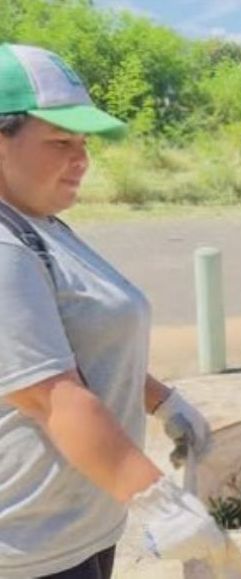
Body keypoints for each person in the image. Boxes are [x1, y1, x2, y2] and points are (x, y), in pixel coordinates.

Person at [0, 44, 225, 578]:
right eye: (60, 142)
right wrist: (155, 498)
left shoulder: (41, 225)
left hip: (84, 522)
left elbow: (80, 340)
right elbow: (48, 396)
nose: (81, 159)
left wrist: (161, 400)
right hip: (32, 544)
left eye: (83, 143)